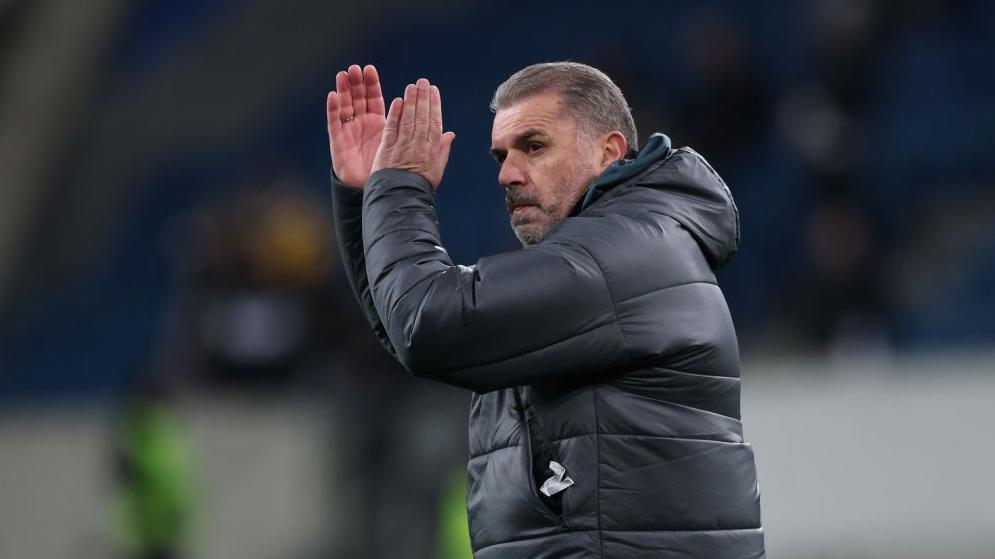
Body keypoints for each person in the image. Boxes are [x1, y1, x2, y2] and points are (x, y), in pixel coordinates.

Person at [326, 62, 764, 558]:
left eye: (533, 146)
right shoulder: (604, 262)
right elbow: (408, 326)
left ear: (609, 152)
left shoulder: (625, 256)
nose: (507, 174)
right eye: (500, 156)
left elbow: (429, 327)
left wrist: (399, 187)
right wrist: (368, 197)